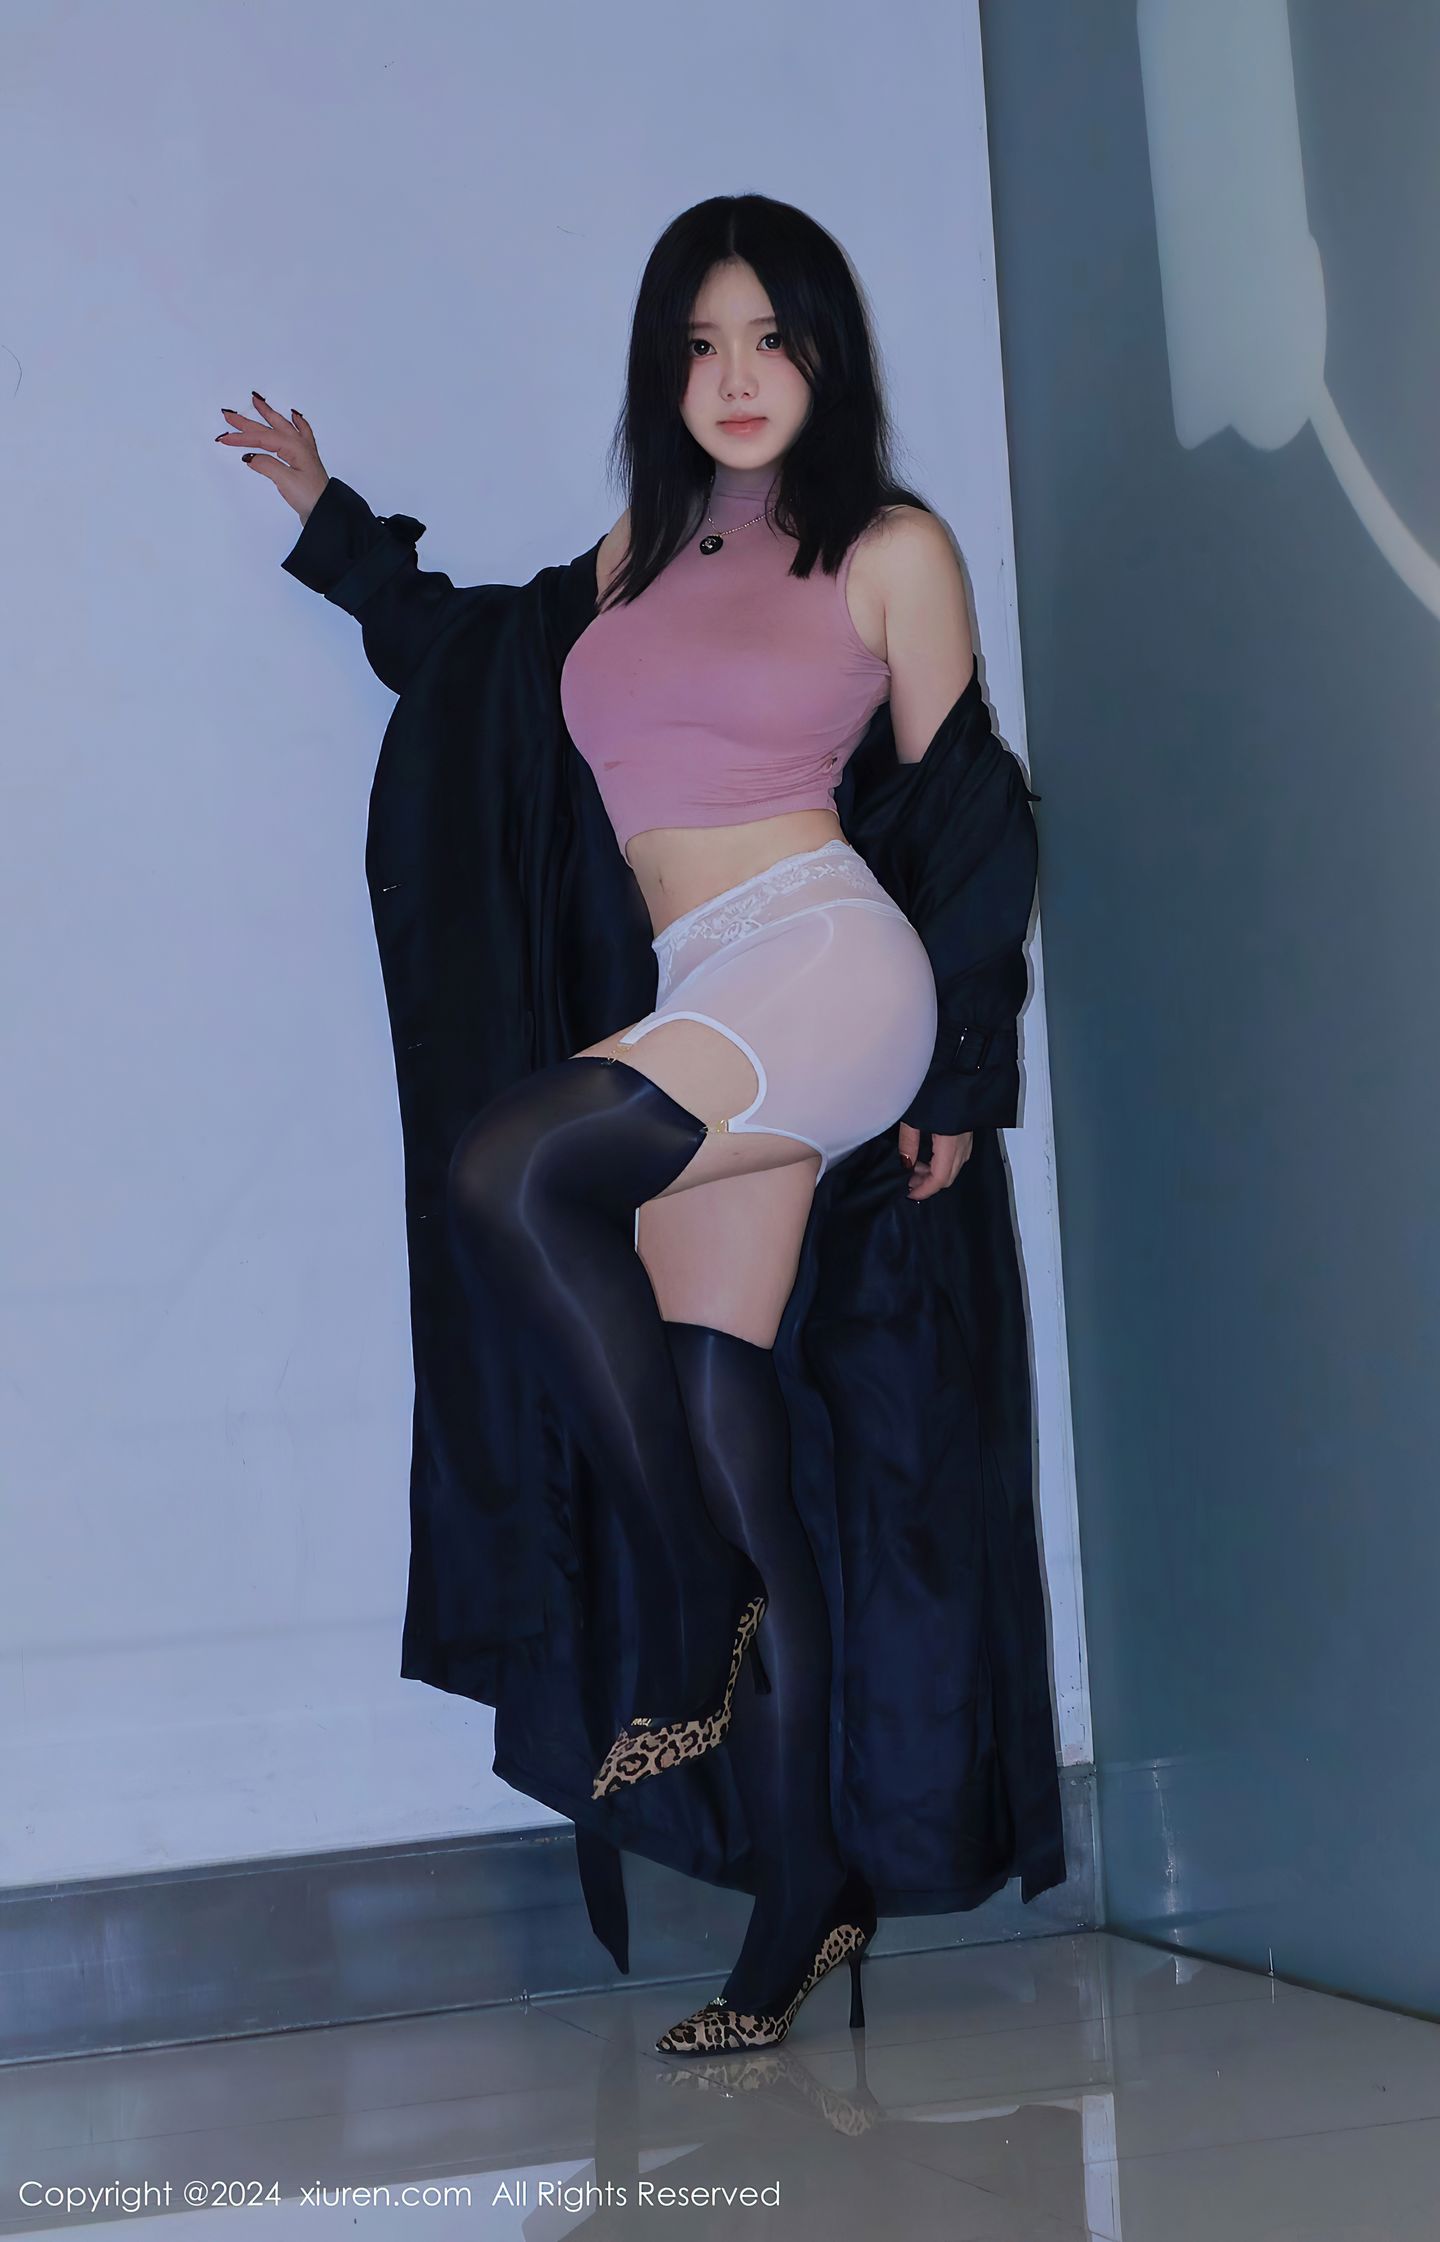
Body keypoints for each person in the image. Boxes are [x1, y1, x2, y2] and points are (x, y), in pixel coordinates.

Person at [218, 193, 1065, 2055]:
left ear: (827, 354)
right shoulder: (645, 548)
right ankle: (803, 1888)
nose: (736, 375)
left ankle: (694, 1596)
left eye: (771, 337)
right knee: (716, 1404)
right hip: (705, 990)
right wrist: (333, 524)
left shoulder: (890, 545)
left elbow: (968, 805)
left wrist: (963, 1075)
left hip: (827, 965)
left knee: (510, 1170)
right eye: (700, 343)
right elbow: (479, 666)